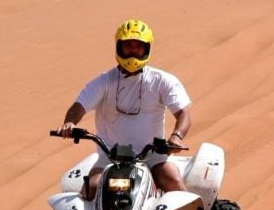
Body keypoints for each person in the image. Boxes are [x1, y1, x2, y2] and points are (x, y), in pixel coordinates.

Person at [57, 19, 192, 199]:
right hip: (111, 157)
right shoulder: (104, 81)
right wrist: (70, 123)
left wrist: (176, 136)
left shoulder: (162, 80)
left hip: (152, 156)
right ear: (119, 47)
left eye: (139, 46)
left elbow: (183, 113)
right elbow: (79, 105)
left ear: (147, 49)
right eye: (128, 46)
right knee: (91, 188)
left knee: (172, 181)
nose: (133, 51)